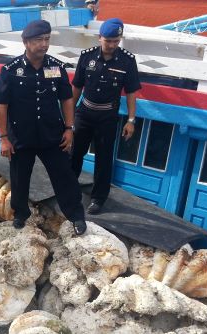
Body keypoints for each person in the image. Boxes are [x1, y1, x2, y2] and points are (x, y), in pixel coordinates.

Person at [0, 20, 87, 235]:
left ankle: (75, 215)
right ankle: (20, 214)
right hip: (21, 135)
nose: (44, 44)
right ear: (26, 42)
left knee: (64, 175)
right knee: (19, 176)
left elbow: (66, 99)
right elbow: (1, 106)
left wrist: (69, 128)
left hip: (52, 134)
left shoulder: (56, 67)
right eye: (39, 40)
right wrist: (3, 137)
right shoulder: (10, 70)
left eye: (47, 39)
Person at [70, 18, 141, 215]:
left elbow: (131, 92)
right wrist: (68, 116)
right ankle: (68, 188)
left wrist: (131, 120)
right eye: (108, 40)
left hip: (107, 116)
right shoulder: (87, 57)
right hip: (84, 113)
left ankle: (98, 199)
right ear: (100, 37)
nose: (111, 45)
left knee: (104, 159)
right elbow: (76, 86)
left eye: (115, 41)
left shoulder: (127, 60)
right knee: (75, 153)